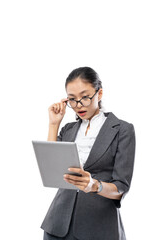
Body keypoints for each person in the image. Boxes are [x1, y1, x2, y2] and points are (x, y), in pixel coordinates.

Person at [41, 67, 136, 240]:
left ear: (99, 94)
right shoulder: (67, 130)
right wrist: (53, 124)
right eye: (72, 99)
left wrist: (95, 186)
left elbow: (121, 187)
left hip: (99, 226)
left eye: (85, 97)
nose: (78, 105)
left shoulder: (122, 129)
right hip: (58, 226)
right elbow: (52, 170)